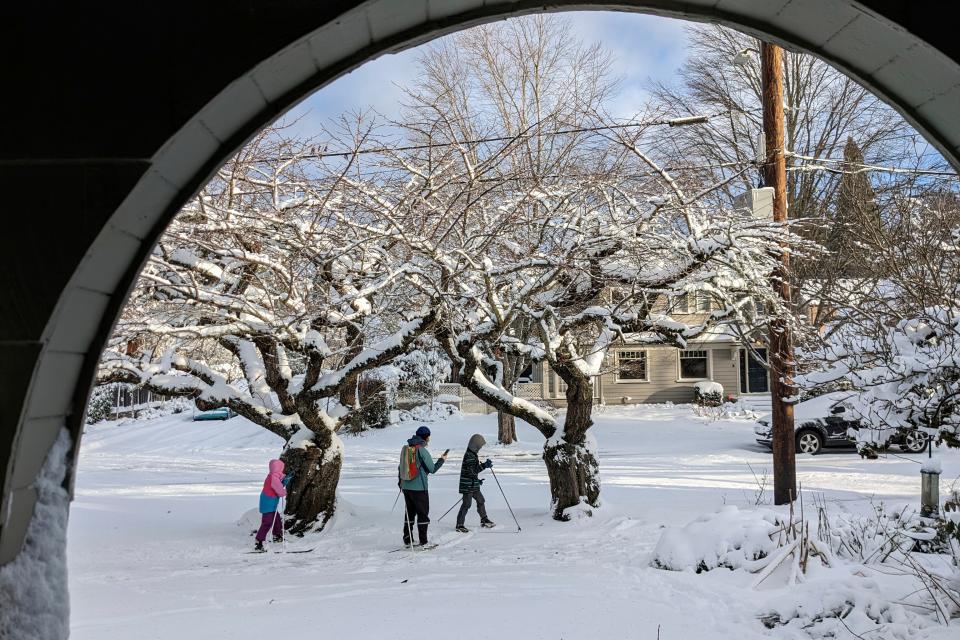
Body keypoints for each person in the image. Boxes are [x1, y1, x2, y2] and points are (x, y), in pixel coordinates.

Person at [398, 426, 447, 547]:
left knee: (409, 513)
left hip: (406, 486)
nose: (429, 438)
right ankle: (424, 542)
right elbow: (432, 469)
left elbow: (400, 467)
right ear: (426, 437)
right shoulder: (422, 450)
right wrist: (442, 460)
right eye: (429, 436)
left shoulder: (407, 448)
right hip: (419, 488)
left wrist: (401, 483)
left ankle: (407, 538)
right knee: (422, 514)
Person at [455, 433, 495, 532]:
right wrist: (485, 465)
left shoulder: (472, 454)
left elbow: (472, 472)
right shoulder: (469, 456)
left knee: (481, 500)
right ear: (475, 445)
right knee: (466, 504)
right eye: (479, 446)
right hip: (468, 486)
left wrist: (477, 481)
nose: (480, 448)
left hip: (473, 484)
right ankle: (459, 525)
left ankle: (484, 519)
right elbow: (472, 471)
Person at [254, 459, 293, 552]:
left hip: (271, 503)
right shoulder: (273, 477)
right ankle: (259, 541)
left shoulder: (274, 476)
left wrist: (285, 481)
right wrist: (283, 492)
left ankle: (277, 535)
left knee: (277, 520)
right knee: (267, 522)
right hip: (268, 503)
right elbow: (278, 488)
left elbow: (278, 484)